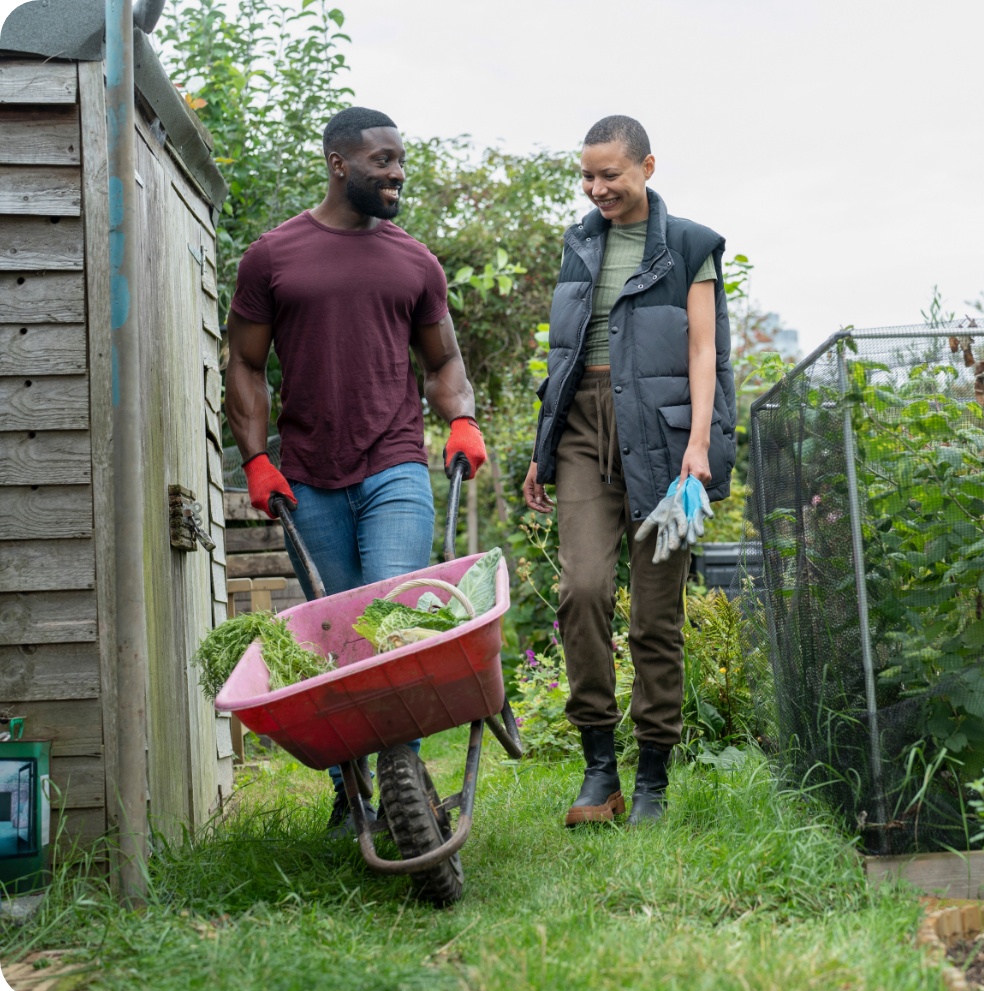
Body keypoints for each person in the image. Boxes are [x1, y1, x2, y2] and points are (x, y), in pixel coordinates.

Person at [224, 106, 486, 834]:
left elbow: (444, 360)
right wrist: (256, 460)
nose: (397, 171)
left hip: (395, 464)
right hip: (308, 476)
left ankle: (401, 779)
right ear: (340, 163)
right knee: (340, 637)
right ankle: (353, 785)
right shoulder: (272, 257)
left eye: (400, 159)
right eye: (383, 160)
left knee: (389, 619)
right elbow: (244, 363)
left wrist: (459, 418)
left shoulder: (414, 261)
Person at [523, 115, 736, 826]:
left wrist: (699, 445)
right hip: (585, 427)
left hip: (669, 439)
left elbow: (704, 351)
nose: (596, 188)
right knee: (581, 590)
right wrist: (541, 446)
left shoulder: (688, 245)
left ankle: (651, 776)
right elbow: (564, 352)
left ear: (647, 165)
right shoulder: (580, 241)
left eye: (610, 173)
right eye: (587, 175)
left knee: (655, 615)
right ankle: (597, 768)